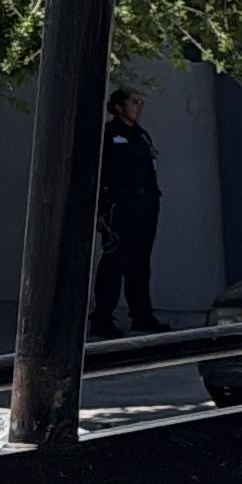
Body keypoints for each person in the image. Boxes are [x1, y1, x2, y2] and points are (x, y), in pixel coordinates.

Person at [93, 87, 161, 338]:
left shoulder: (141, 135)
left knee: (140, 263)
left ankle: (142, 315)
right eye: (134, 102)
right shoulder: (109, 135)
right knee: (114, 263)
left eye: (141, 102)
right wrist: (100, 210)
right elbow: (98, 173)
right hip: (119, 208)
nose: (139, 107)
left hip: (145, 207)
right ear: (119, 107)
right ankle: (102, 318)